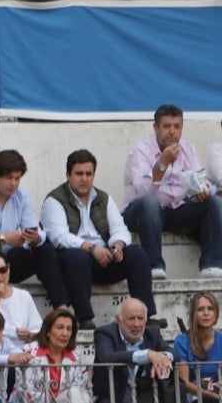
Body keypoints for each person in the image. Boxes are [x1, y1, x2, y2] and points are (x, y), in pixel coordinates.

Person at [40, 148, 154, 331]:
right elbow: (58, 237)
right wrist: (91, 248)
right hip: (74, 260)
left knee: (138, 256)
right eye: (79, 174)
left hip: (104, 257)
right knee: (77, 258)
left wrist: (118, 245)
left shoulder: (103, 198)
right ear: (68, 175)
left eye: (88, 174)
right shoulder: (54, 200)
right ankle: (85, 318)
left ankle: (146, 317)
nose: (84, 179)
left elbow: (120, 228)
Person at [124, 104, 222, 280]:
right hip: (141, 214)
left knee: (214, 202)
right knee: (150, 204)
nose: (172, 132)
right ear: (156, 127)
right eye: (166, 126)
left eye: (177, 126)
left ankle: (211, 264)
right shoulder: (140, 151)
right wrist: (162, 164)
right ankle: (154, 266)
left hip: (176, 210)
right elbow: (142, 192)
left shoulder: (187, 148)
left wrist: (202, 192)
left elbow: (201, 180)